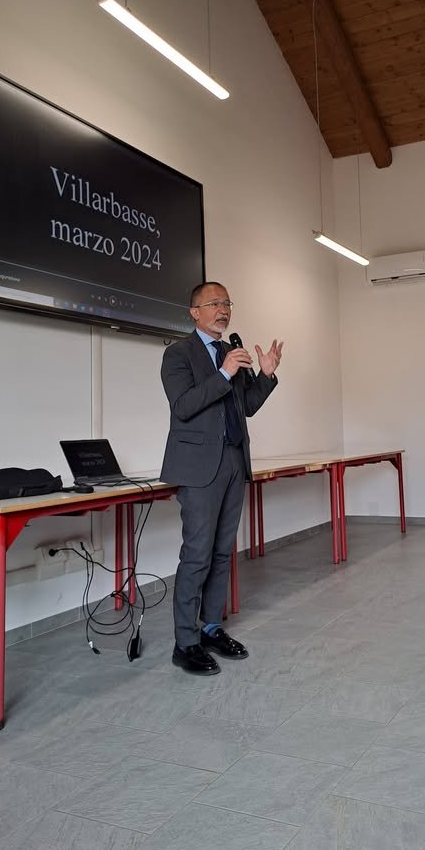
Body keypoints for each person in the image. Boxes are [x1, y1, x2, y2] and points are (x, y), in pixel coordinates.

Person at [160, 282, 282, 674]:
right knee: (197, 553)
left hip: (233, 459)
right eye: (214, 303)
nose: (223, 309)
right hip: (199, 466)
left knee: (221, 552)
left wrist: (265, 376)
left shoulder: (232, 352)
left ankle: (211, 627)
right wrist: (225, 373)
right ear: (194, 312)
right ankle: (185, 641)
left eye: (227, 302)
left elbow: (246, 406)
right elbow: (183, 406)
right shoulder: (178, 353)